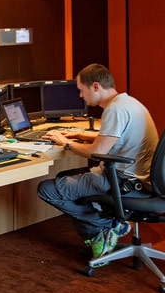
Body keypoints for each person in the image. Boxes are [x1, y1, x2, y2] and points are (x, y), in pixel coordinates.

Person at [37, 63, 158, 265]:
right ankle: (105, 230)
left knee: (47, 190)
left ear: (95, 86)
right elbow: (115, 137)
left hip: (125, 183)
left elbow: (96, 152)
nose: (80, 96)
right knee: (63, 178)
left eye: (81, 90)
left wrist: (66, 143)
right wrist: (78, 135)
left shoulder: (115, 110)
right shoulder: (128, 102)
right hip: (139, 180)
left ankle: (106, 227)